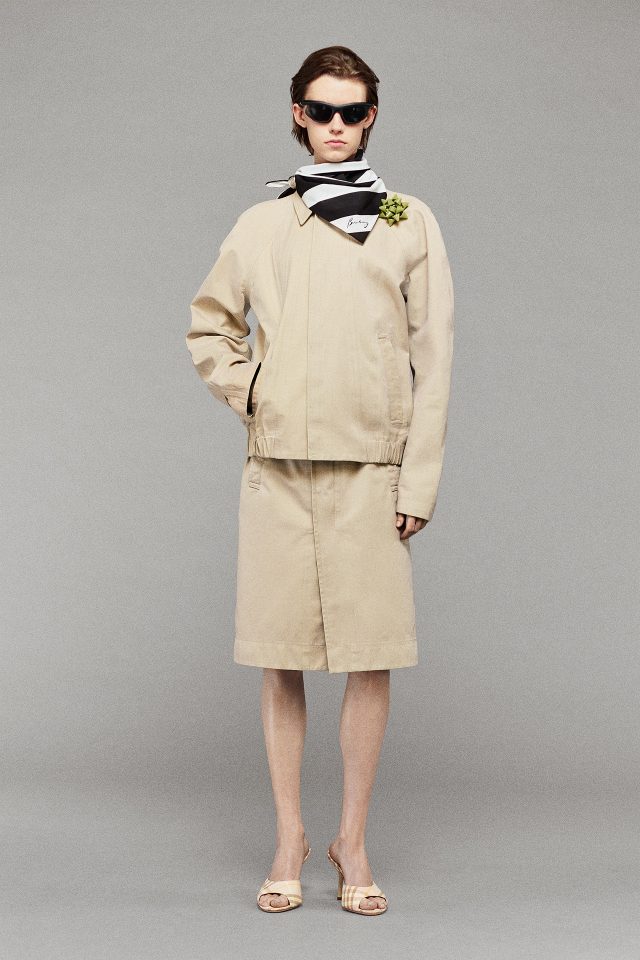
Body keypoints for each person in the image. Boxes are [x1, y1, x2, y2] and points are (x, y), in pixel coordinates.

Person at [186, 45, 455, 915]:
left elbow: (434, 357)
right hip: (279, 470)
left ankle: (353, 839)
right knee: (280, 657)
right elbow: (210, 327)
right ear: (297, 114)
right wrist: (254, 392)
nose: (336, 125)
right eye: (321, 110)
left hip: (372, 473)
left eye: (352, 111)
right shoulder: (261, 225)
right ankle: (289, 836)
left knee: (370, 659)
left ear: (372, 117)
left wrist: (418, 482)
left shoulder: (409, 220)